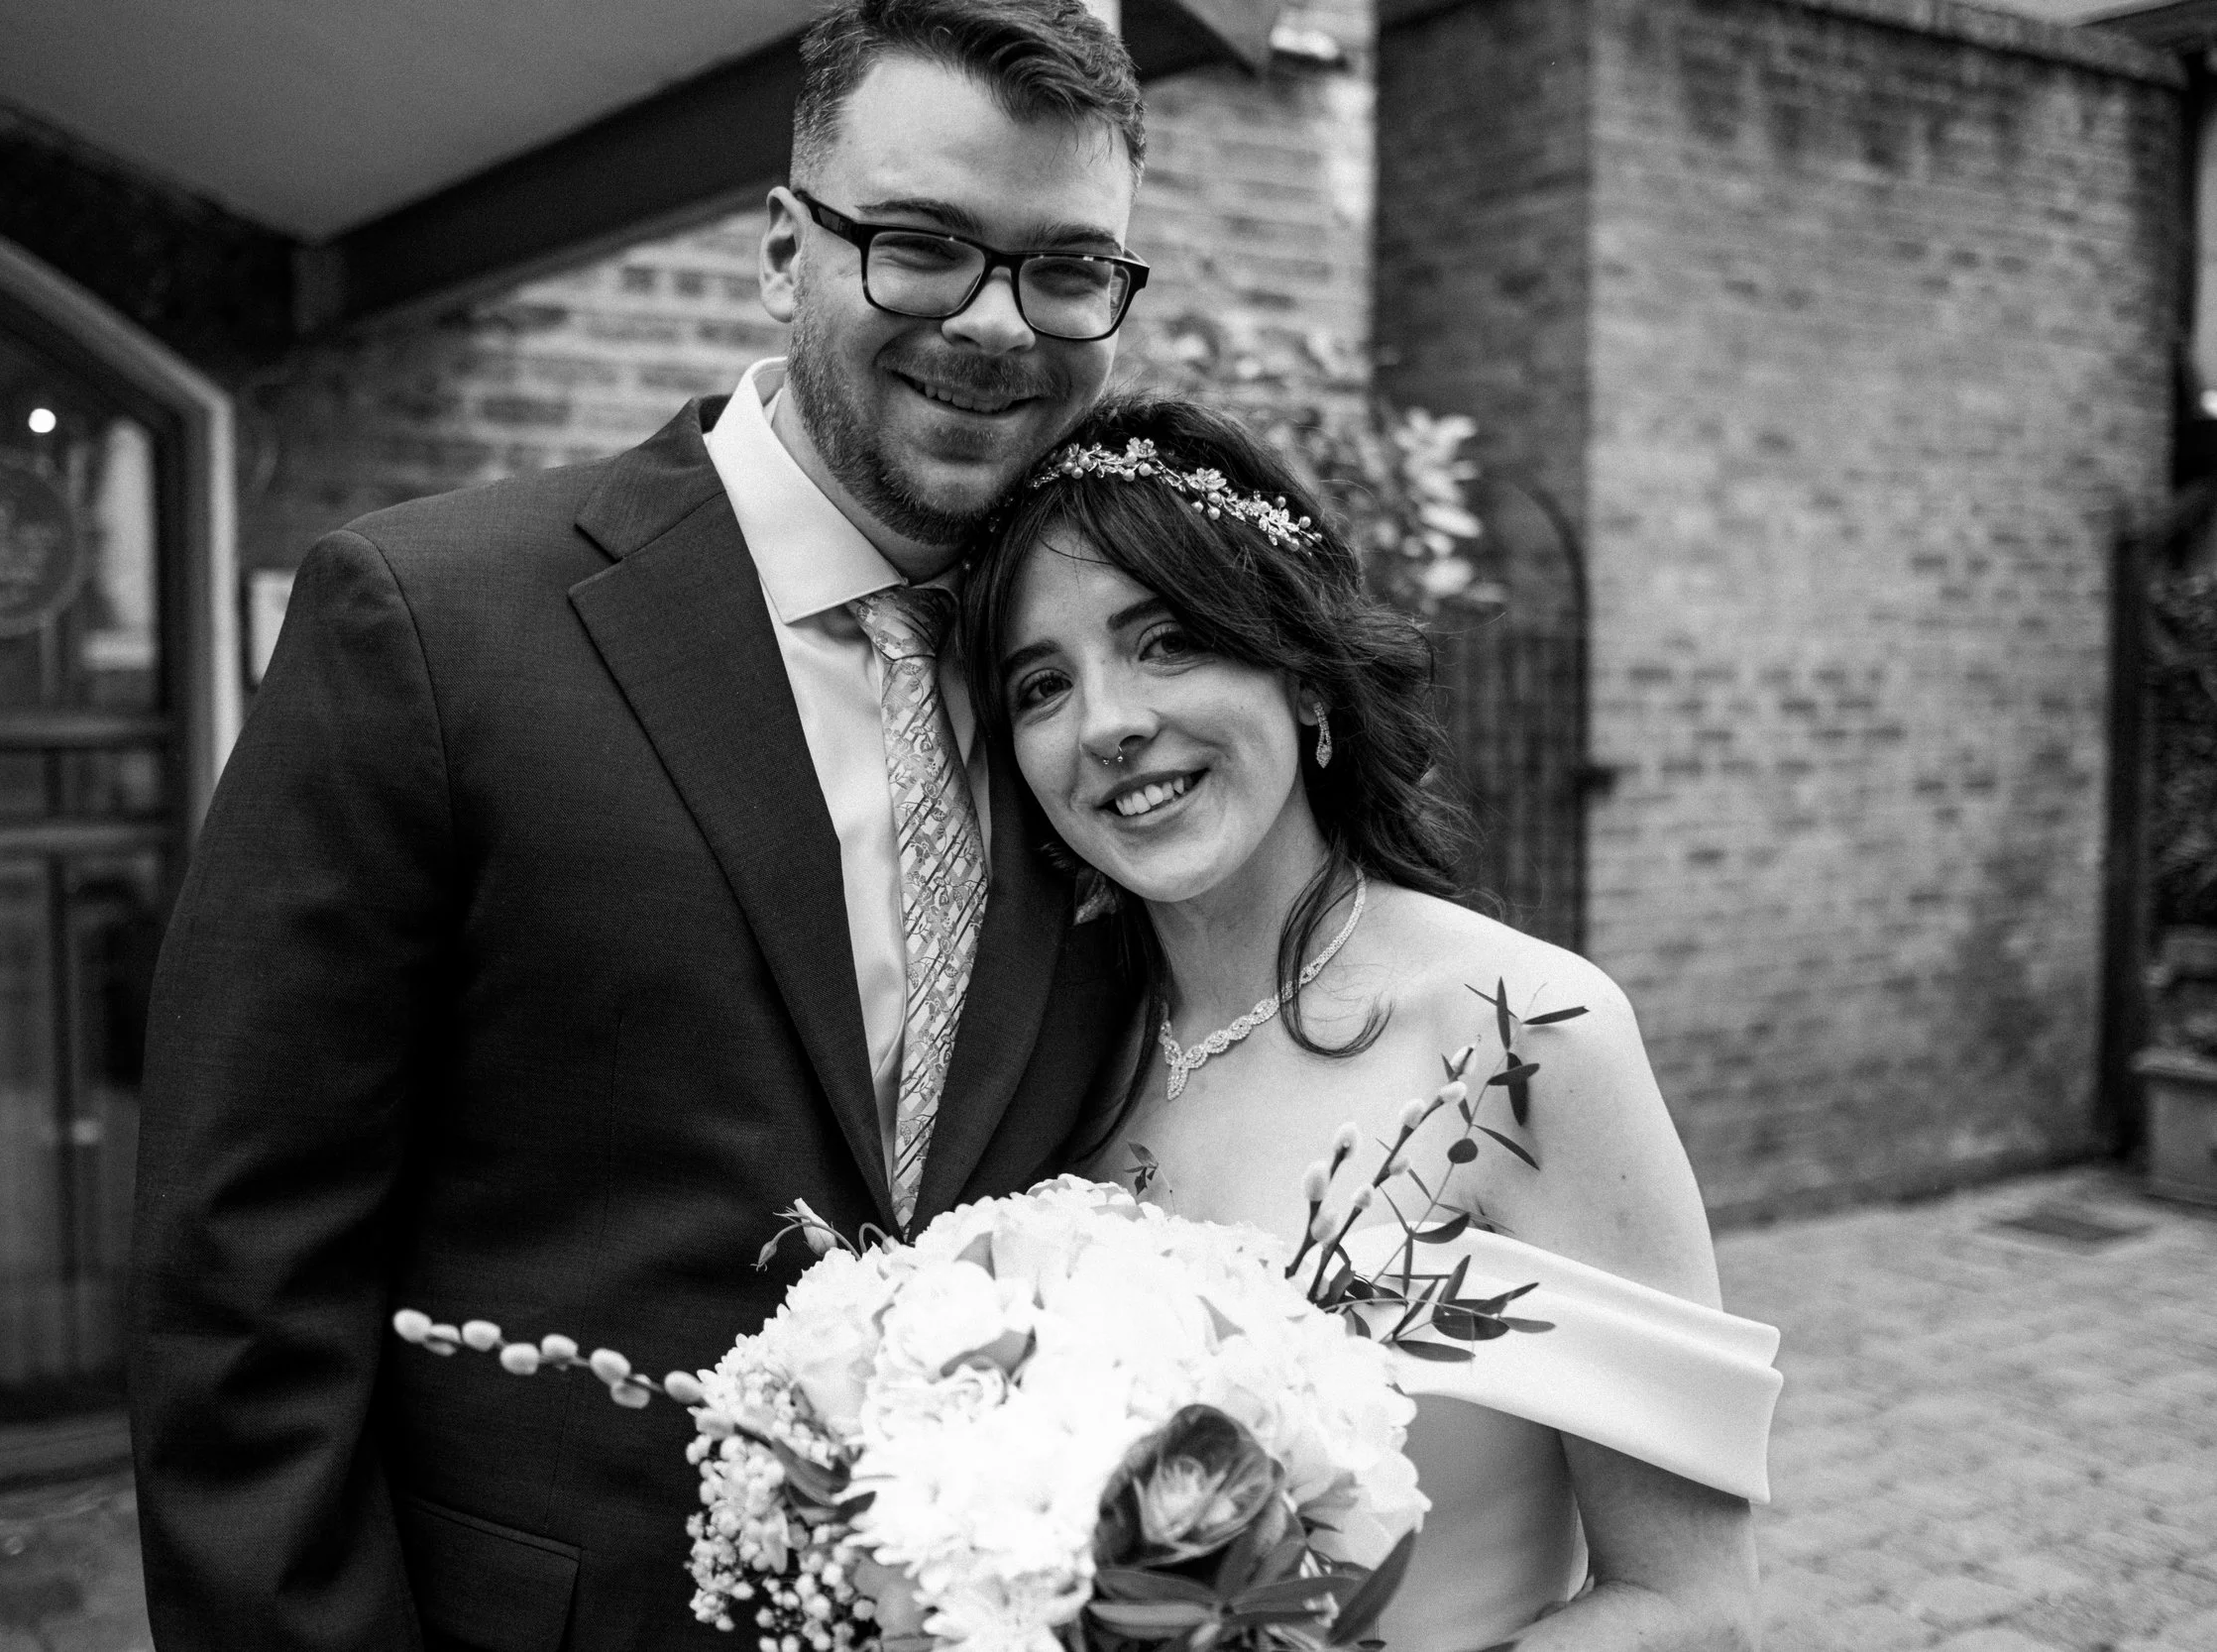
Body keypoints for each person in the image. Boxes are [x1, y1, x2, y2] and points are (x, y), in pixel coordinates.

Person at [127, 5, 1149, 1648]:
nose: (995, 323)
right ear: (776, 246)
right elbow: (243, 1280)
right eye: (920, 246)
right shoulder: (431, 622)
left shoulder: (1103, 696)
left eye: (1067, 270)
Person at [963, 395, 1782, 1652]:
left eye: (1167, 640)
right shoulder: (1047, 1049)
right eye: (1040, 683)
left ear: (1300, 675)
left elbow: (1693, 1604)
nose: (1108, 721)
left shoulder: (1523, 1035)